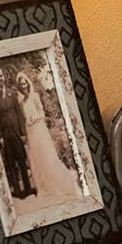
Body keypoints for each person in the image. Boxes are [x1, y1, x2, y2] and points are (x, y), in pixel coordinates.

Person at [16, 70, 80, 202]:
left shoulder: (34, 96)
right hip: (31, 132)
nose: (24, 86)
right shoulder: (22, 102)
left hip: (39, 130)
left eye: (25, 84)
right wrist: (27, 125)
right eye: (21, 85)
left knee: (46, 156)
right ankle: (43, 187)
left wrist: (34, 118)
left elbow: (42, 113)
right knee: (37, 158)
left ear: (28, 83)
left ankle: (55, 183)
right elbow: (24, 118)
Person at [0, 67, 33, 199]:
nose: (0, 78)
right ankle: (18, 192)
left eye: (1, 76)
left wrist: (23, 133)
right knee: (11, 165)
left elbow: (19, 114)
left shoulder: (12, 93)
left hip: (16, 134)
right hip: (6, 136)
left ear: (4, 78)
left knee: (22, 161)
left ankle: (27, 189)